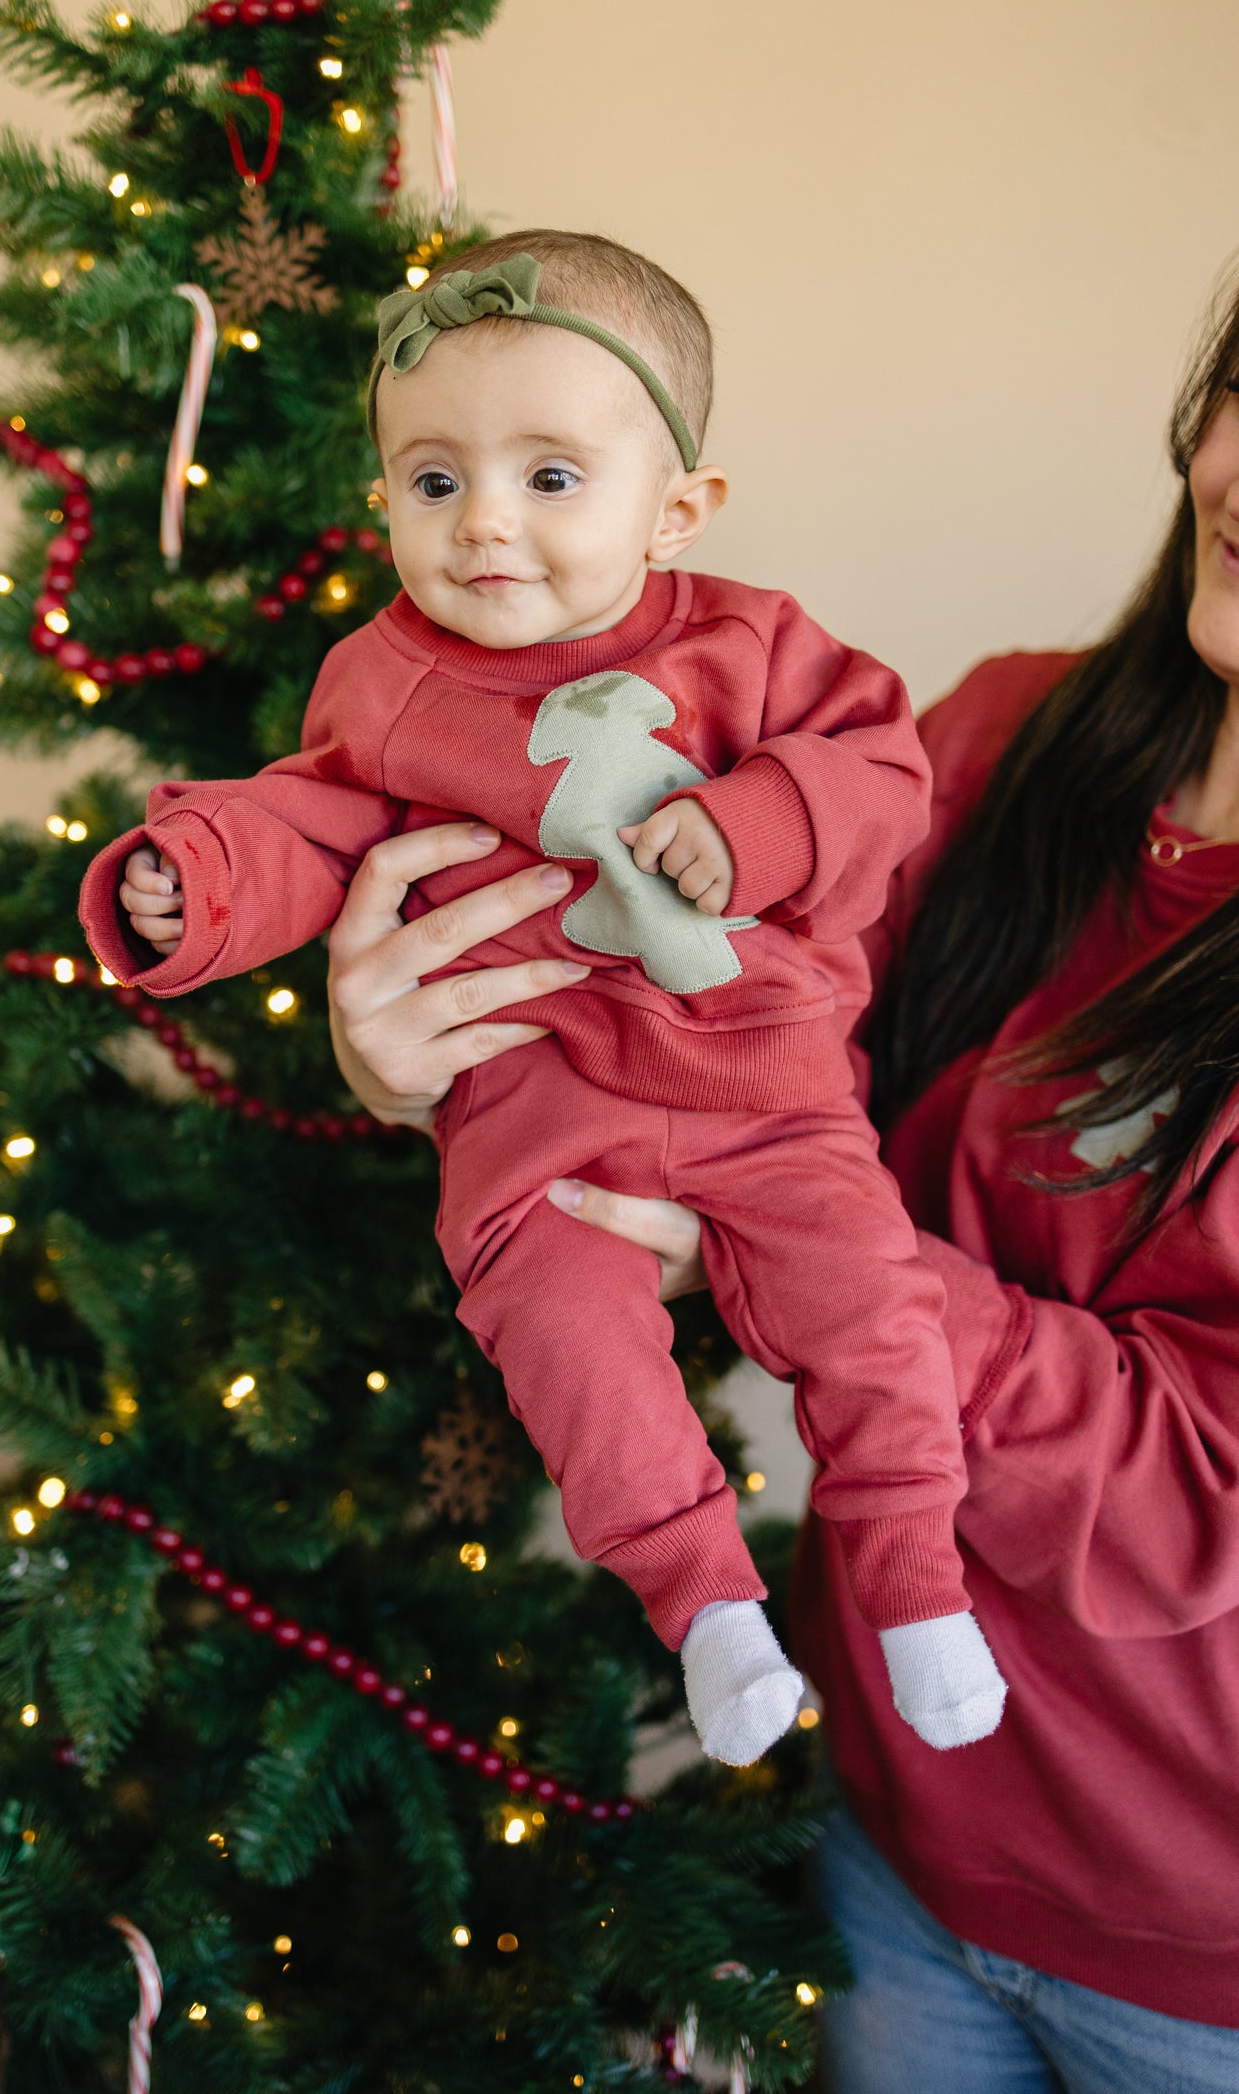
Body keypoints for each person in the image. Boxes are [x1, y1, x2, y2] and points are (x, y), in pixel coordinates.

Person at [324, 275, 1239, 2091]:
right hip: (894, 1833)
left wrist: (811, 1269)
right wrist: (419, 1055)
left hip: (1196, 1952)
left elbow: (1200, 1494)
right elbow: (702, 1034)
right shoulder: (990, 745)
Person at [78, 229, 1007, 1770]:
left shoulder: (755, 646)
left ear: (678, 508)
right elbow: (309, 823)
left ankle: (913, 1579)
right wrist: (192, 874)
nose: (483, 527)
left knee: (871, 1307)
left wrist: (755, 822)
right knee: (566, 1344)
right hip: (535, 1117)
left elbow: (879, 769)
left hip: (758, 1094)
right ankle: (703, 1600)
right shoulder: (382, 683)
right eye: (433, 481)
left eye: (550, 479)